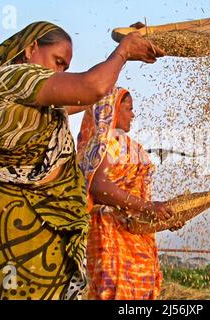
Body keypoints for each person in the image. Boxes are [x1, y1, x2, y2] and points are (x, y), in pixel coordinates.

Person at [0, 21, 164, 300]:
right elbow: (91, 88)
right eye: (57, 62)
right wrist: (123, 53)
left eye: (65, 69)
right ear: (31, 48)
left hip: (38, 231)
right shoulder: (9, 79)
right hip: (8, 225)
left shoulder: (37, 104)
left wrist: (124, 55)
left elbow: (90, 92)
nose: (59, 73)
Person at [77, 87, 183, 300]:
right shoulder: (102, 145)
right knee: (114, 291)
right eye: (128, 108)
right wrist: (148, 208)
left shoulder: (132, 148)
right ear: (111, 110)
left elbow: (137, 200)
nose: (133, 114)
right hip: (109, 231)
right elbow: (99, 187)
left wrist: (162, 217)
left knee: (139, 292)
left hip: (135, 234)